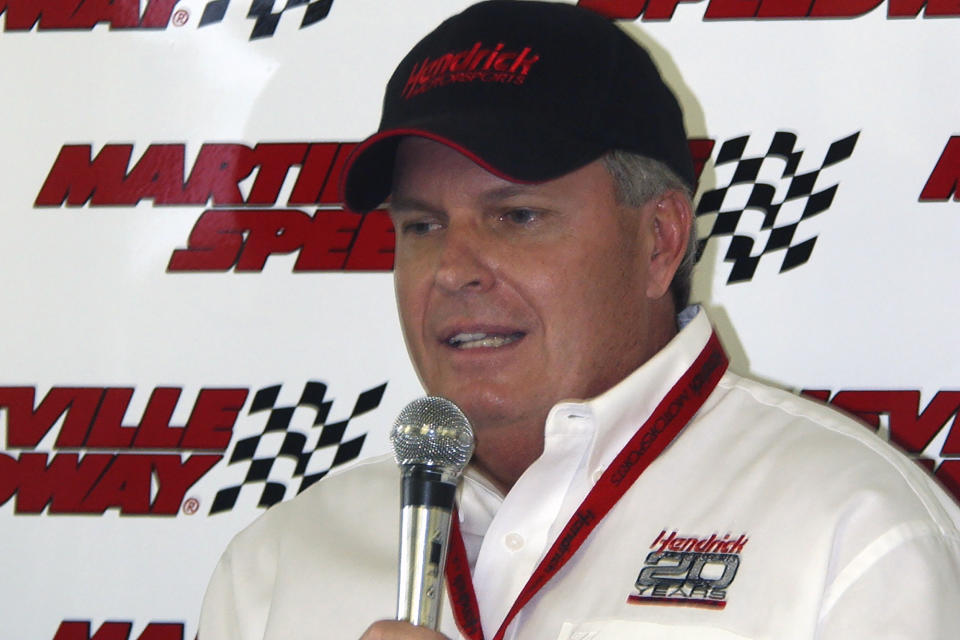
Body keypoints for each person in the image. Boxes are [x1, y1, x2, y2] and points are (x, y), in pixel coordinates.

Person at [198, 2, 960, 639]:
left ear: (660, 240)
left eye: (517, 216)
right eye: (422, 226)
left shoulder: (853, 535)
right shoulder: (281, 563)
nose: (454, 269)